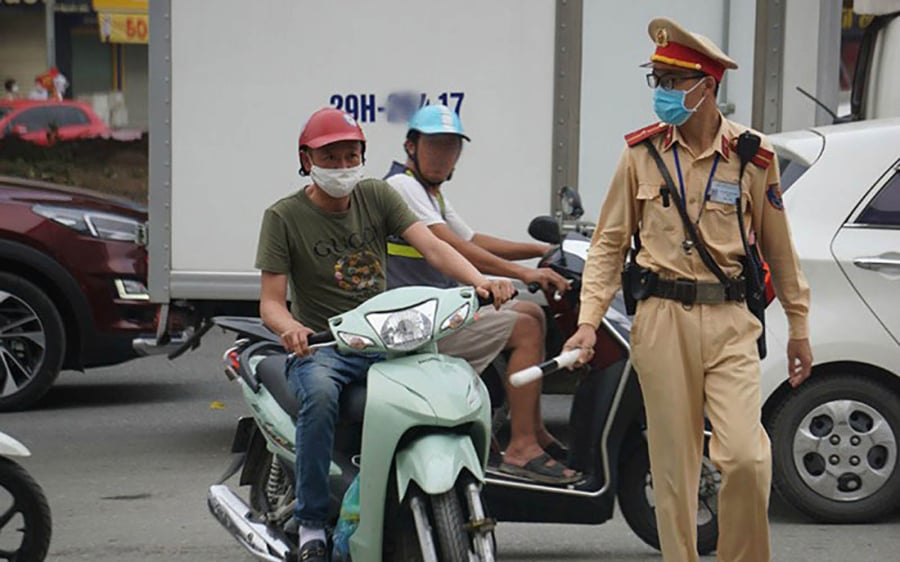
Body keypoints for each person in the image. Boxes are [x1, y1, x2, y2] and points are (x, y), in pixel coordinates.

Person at [564, 18, 813, 562]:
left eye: (674, 81)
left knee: (747, 458)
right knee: (673, 467)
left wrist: (798, 324)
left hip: (729, 322)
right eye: (657, 79)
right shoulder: (640, 155)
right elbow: (608, 245)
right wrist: (588, 323)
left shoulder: (753, 157)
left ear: (708, 86)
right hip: (660, 319)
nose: (663, 92)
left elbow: (779, 247)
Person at [255, 107, 515, 562]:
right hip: (326, 346)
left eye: (350, 155)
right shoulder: (283, 216)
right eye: (329, 157)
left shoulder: (377, 196)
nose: (341, 167)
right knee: (318, 398)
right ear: (306, 159)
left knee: (450, 385)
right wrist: (291, 327)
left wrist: (479, 281)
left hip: (387, 338)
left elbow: (434, 246)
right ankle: (313, 522)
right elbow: (271, 300)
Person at [384, 104, 579, 485]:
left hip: (434, 311)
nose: (443, 156)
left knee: (532, 314)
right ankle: (522, 447)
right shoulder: (402, 187)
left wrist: (541, 251)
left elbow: (472, 239)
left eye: (451, 148)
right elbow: (451, 245)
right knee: (525, 328)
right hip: (414, 325)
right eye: (434, 146)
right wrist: (524, 272)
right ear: (411, 146)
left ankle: (533, 429)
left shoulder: (429, 192)